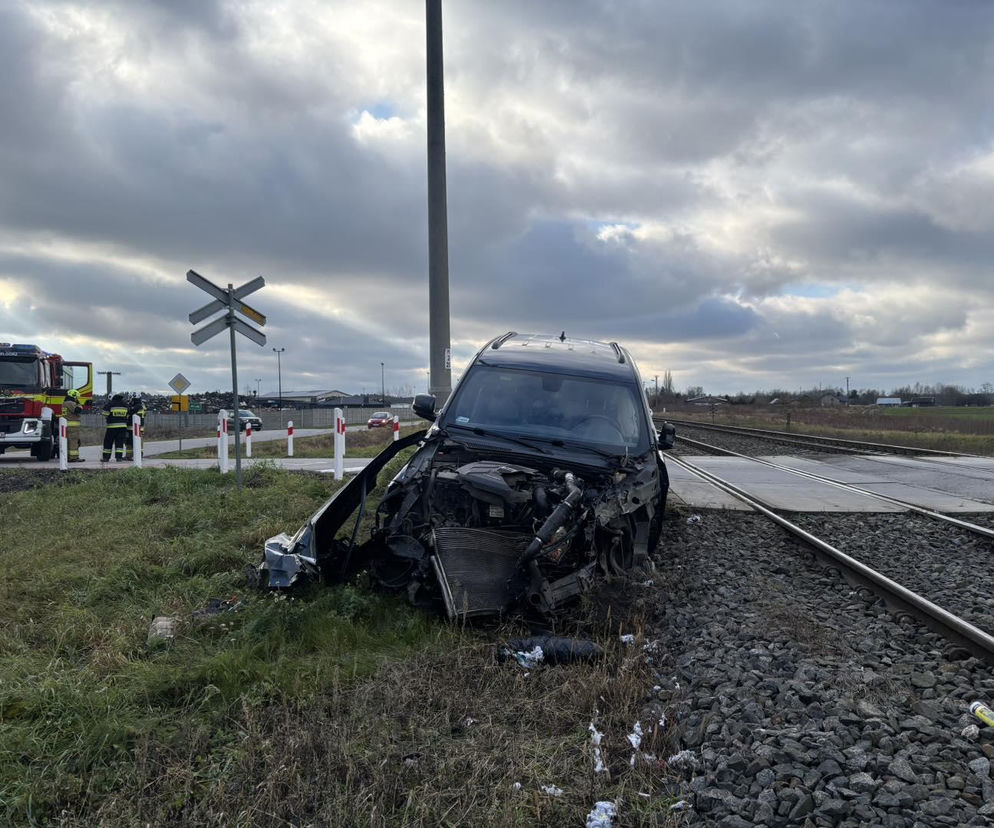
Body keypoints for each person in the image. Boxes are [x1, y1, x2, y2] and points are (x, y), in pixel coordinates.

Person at [101, 393, 129, 462]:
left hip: (112, 427)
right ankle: (119, 458)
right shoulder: (125, 404)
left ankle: (106, 458)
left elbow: (105, 413)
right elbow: (128, 414)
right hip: (123, 427)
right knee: (120, 442)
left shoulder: (110, 404)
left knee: (108, 442)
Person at [63, 388, 84, 462]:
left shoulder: (65, 403)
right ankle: (73, 457)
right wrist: (79, 405)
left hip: (68, 426)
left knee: (69, 442)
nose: (76, 399)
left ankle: (69, 457)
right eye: (76, 397)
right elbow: (77, 410)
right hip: (72, 427)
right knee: (74, 442)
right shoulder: (70, 403)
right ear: (73, 396)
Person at [123, 394, 146, 460]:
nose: (129, 399)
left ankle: (137, 456)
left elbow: (130, 412)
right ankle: (130, 456)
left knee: (134, 442)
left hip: (134, 427)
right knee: (129, 442)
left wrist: (127, 405)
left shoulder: (137, 406)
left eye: (130, 397)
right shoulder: (141, 405)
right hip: (135, 427)